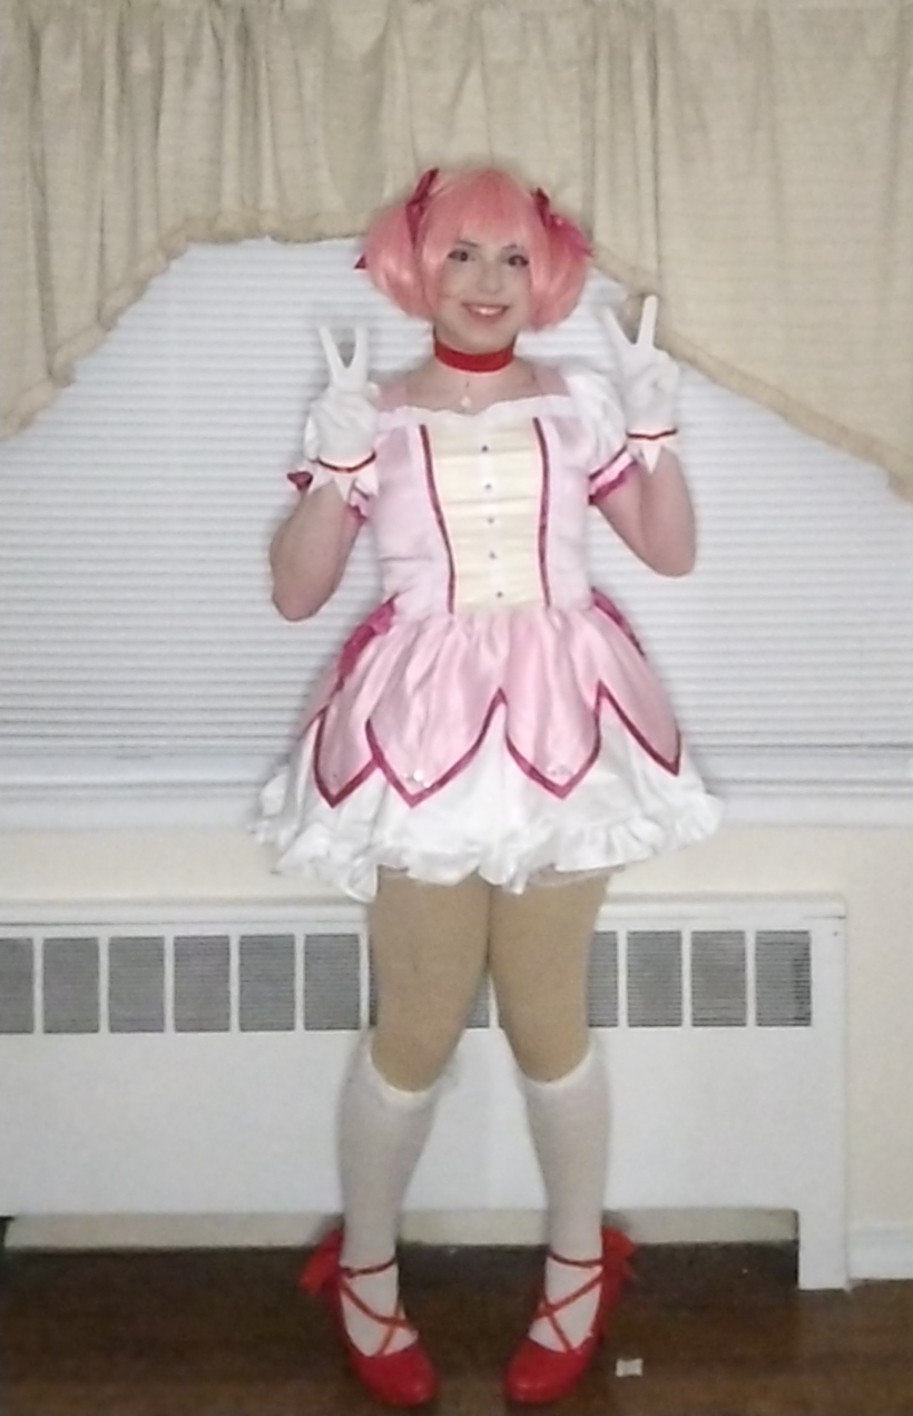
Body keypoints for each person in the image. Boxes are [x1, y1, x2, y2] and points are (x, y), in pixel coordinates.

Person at [257, 166, 722, 1407]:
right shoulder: (374, 411)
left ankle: (579, 1271)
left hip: (566, 715)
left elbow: (668, 551)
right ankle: (364, 1274)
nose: (486, 282)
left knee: (545, 1017)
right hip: (423, 726)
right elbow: (297, 592)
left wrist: (652, 432)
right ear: (418, 268)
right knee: (415, 1029)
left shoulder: (576, 406)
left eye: (513, 258)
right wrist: (335, 464)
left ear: (544, 274)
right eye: (461, 254)